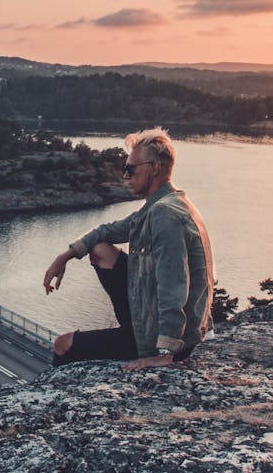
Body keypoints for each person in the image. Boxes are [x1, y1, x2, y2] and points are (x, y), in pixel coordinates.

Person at [43, 127, 214, 372]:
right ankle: (130, 328)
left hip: (165, 340)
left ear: (154, 168)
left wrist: (164, 353)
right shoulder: (166, 204)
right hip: (150, 318)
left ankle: (58, 392)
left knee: (63, 344)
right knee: (100, 249)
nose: (125, 175)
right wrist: (65, 256)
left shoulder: (165, 215)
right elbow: (107, 231)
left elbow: (174, 286)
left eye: (130, 168)